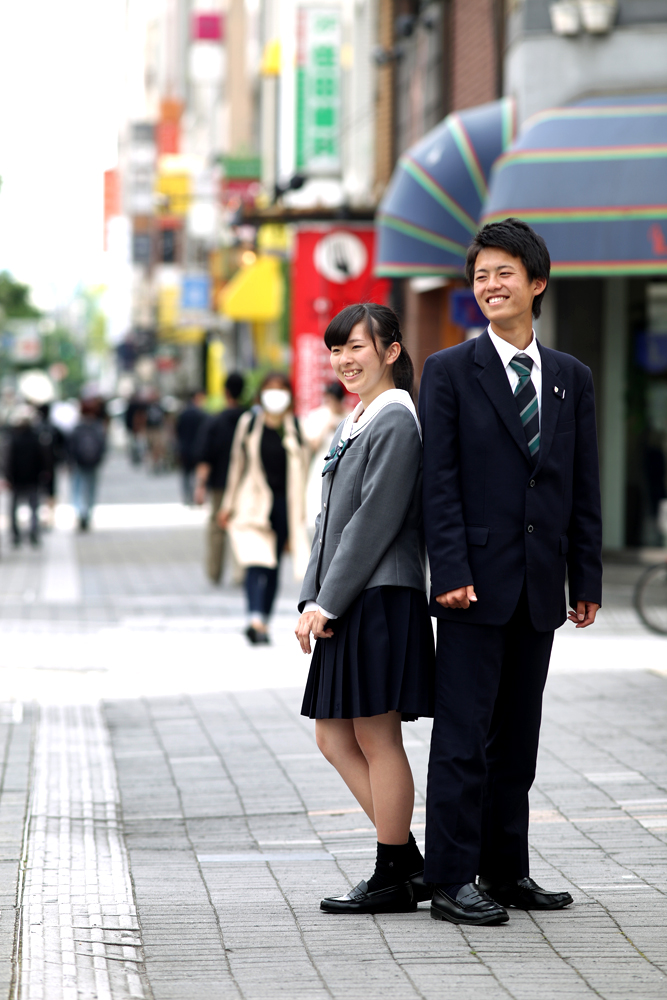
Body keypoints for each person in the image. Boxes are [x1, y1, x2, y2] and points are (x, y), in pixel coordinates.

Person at [419, 218, 603, 927]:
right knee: (462, 737)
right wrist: (450, 571)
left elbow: (579, 484)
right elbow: (438, 482)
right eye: (479, 276)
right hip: (471, 585)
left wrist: (582, 579)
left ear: (536, 283)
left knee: (516, 742)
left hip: (537, 587)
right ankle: (450, 880)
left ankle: (505, 869)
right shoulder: (448, 372)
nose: (489, 286)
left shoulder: (569, 378)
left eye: (502, 273)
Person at [295, 303, 435, 915]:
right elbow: (329, 523)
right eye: (336, 349)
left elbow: (373, 523)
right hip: (352, 597)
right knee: (333, 737)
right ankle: (404, 860)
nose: (345, 359)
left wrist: (328, 599)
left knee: (376, 738)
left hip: (379, 595)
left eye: (357, 346)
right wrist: (310, 594)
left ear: (391, 352)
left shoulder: (397, 420)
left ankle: (391, 869)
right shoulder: (358, 420)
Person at [220, 372, 309, 644]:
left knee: (272, 567)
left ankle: (263, 622)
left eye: (281, 389)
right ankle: (254, 617)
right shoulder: (249, 424)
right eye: (270, 389)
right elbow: (236, 465)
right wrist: (227, 505)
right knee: (254, 563)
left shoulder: (294, 426)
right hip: (252, 503)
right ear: (260, 394)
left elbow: (303, 471)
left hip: (283, 507)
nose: (275, 394)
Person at [193, 373, 245, 583]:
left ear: (225, 392)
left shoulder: (214, 422)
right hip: (244, 484)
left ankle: (214, 572)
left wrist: (200, 486)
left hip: (219, 485)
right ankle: (240, 573)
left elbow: (205, 458)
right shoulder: (251, 419)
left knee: (217, 529)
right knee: (241, 527)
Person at [301, 381, 347, 532]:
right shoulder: (319, 415)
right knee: (316, 500)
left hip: (344, 465)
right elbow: (312, 444)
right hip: (321, 464)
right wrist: (327, 425)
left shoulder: (350, 415)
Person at [6, 404, 45, 547]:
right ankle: (32, 533)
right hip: (32, 478)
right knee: (33, 508)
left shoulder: (13, 439)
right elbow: (43, 459)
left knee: (15, 508)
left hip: (17, 479)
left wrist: (8, 476)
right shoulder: (35, 438)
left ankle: (17, 534)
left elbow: (8, 460)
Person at [69, 400, 107, 532]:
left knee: (78, 488)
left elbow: (70, 446)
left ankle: (81, 512)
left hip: (79, 463)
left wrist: (70, 461)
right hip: (93, 463)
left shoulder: (77, 427)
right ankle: (88, 513)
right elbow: (103, 445)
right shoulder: (97, 426)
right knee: (91, 488)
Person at [175, 390, 208, 505]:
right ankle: (196, 496)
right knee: (196, 474)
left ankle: (187, 497)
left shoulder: (183, 413)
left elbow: (178, 431)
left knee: (186, 474)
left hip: (184, 447)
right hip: (197, 448)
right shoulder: (202, 414)